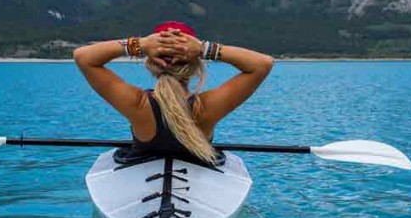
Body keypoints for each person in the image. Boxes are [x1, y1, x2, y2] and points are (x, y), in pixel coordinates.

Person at [73, 22, 274, 165]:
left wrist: (140, 44)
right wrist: (205, 48)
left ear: (151, 63)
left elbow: (83, 57)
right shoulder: (206, 107)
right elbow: (262, 64)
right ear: (196, 65)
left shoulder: (137, 104)